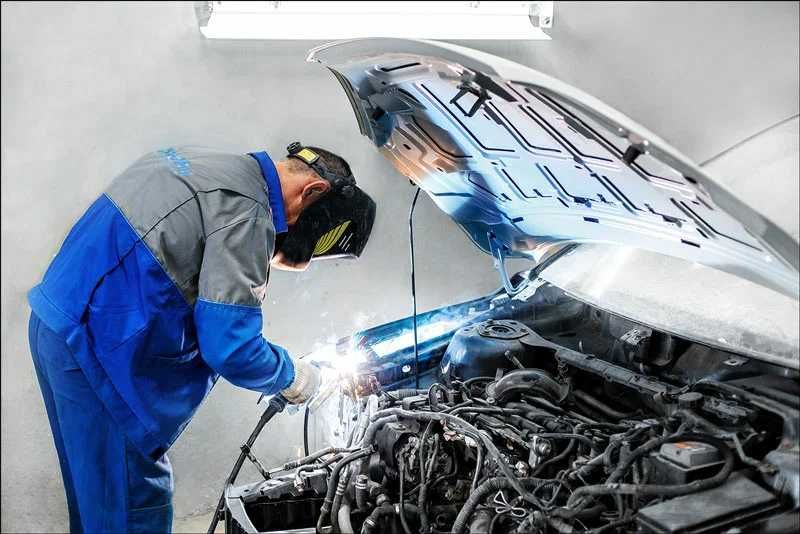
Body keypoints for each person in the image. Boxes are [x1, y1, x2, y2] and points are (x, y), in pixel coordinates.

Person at [27, 143, 376, 533]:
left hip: (56, 324)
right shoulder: (248, 210)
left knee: (98, 506)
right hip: (99, 359)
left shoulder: (203, 163)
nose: (285, 236)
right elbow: (231, 348)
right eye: (303, 228)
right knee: (132, 510)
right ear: (311, 192)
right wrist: (299, 379)